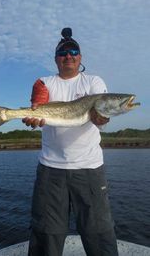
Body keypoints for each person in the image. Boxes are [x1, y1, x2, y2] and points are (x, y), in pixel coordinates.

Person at [23, 28, 119, 256]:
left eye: (73, 51)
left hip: (89, 168)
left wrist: (101, 114)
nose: (69, 56)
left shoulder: (94, 82)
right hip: (50, 169)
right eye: (63, 53)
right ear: (56, 59)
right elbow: (39, 102)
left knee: (99, 231)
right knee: (46, 232)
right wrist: (35, 113)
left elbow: (101, 118)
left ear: (80, 57)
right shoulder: (44, 82)